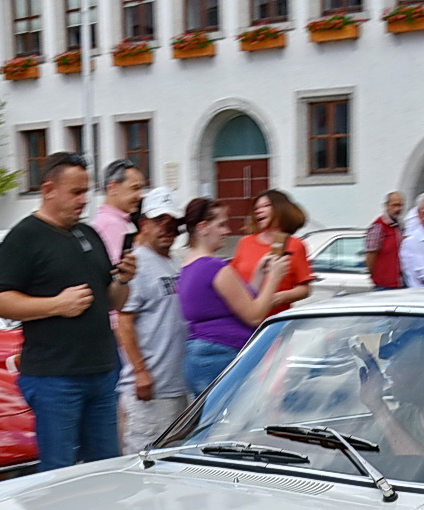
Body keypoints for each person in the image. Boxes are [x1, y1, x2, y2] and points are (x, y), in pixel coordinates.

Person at [0, 152, 136, 470]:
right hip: (55, 378)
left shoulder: (88, 234)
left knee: (106, 468)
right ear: (49, 189)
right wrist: (57, 305)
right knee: (59, 470)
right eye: (76, 192)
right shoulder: (25, 237)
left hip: (101, 371)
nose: (84, 201)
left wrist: (123, 279)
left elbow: (112, 302)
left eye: (86, 191)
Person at [178, 197, 287, 391]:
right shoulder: (214, 267)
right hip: (220, 356)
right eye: (221, 225)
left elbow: (235, 304)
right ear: (203, 228)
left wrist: (259, 275)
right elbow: (254, 315)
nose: (227, 231)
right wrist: (275, 278)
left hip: (202, 356)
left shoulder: (188, 266)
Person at [117, 188, 190, 453]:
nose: (166, 229)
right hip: (150, 391)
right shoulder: (136, 263)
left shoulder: (174, 262)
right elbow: (123, 323)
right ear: (144, 224)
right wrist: (140, 371)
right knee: (145, 465)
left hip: (178, 386)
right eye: (159, 221)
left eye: (172, 223)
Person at [229, 190, 313, 316]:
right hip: (246, 319)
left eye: (266, 206)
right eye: (256, 208)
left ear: (280, 209)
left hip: (275, 322)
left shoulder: (295, 245)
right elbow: (232, 280)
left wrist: (280, 297)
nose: (258, 210)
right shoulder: (245, 242)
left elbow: (304, 289)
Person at [92, 159, 146, 264]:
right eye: (134, 188)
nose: (139, 196)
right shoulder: (112, 224)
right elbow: (117, 270)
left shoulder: (119, 221)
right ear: (112, 187)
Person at [364, 191, 405, 290]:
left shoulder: (398, 226)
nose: (398, 209)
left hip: (398, 282)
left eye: (400, 205)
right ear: (386, 205)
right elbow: (370, 256)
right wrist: (376, 278)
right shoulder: (379, 226)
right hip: (384, 285)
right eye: (395, 205)